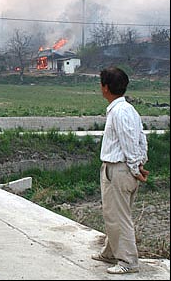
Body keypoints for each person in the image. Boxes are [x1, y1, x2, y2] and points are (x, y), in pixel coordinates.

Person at [91, 67, 149, 274]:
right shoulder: (128, 110)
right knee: (113, 213)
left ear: (105, 87)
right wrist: (141, 162)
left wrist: (135, 167)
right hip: (123, 169)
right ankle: (110, 252)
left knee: (118, 216)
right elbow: (141, 138)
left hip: (119, 170)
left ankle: (127, 261)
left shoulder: (119, 112)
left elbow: (129, 143)